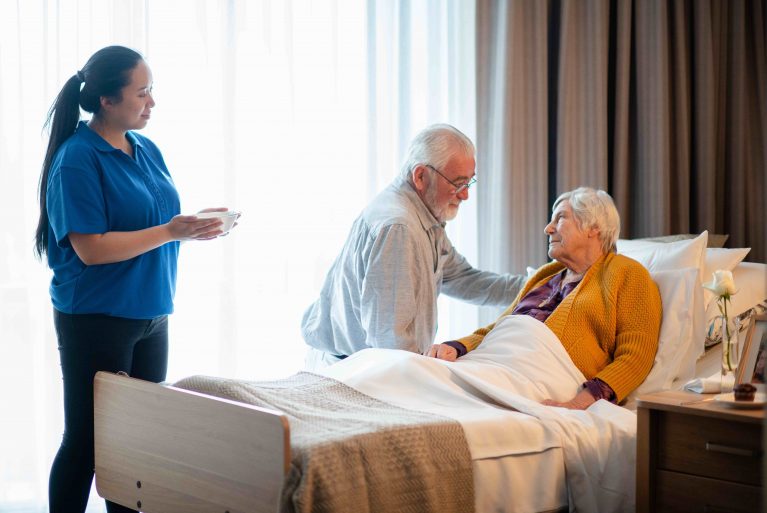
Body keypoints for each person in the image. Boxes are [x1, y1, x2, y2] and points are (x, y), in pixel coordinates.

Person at [35, 46, 234, 513]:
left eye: (152, 91)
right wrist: (169, 231)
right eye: (141, 92)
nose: (151, 102)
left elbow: (153, 224)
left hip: (151, 314)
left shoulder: (145, 148)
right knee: (87, 441)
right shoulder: (78, 159)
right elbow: (93, 248)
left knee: (136, 443)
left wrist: (193, 227)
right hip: (97, 318)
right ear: (107, 100)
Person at [301, 124, 525, 370]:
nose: (465, 196)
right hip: (358, 371)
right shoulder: (400, 228)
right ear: (420, 176)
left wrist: (541, 284)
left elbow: (466, 280)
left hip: (373, 366)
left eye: (469, 184)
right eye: (458, 184)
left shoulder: (426, 216)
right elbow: (390, 342)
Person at [429, 187, 662, 409]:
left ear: (593, 226)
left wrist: (580, 401)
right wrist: (457, 347)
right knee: (415, 368)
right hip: (497, 361)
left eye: (560, 218)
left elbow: (635, 356)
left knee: (422, 383)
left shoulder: (627, 273)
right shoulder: (545, 275)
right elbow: (497, 327)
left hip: (546, 374)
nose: (548, 229)